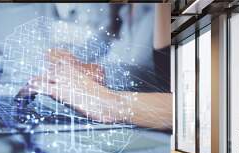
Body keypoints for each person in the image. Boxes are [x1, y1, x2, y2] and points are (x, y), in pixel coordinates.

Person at [17, 4, 172, 131]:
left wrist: (100, 75)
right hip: (113, 107)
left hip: (140, 115)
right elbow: (90, 49)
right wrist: (68, 61)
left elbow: (161, 76)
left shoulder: (159, 11)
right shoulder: (121, 11)